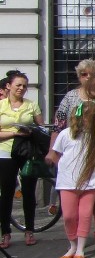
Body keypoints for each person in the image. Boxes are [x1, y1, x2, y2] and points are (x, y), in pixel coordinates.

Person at [0, 70, 45, 247]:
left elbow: (41, 129)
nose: (21, 88)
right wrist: (14, 133)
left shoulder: (32, 105)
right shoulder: (1, 105)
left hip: (27, 152)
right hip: (5, 151)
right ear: (9, 86)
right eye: (18, 85)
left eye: (25, 86)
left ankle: (29, 230)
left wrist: (32, 131)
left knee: (28, 191)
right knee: (6, 192)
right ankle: (5, 232)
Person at [53, 101, 95, 258]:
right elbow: (56, 155)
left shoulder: (94, 135)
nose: (89, 120)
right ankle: (72, 245)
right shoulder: (65, 134)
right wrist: (64, 171)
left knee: (85, 215)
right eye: (86, 116)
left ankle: (80, 249)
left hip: (90, 182)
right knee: (69, 216)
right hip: (68, 183)